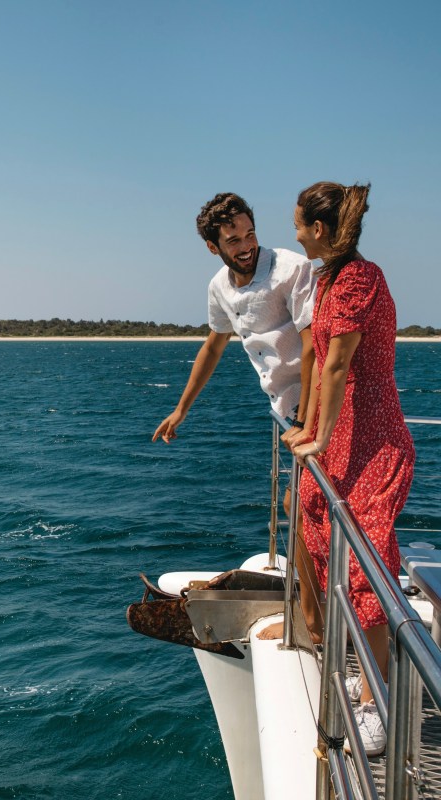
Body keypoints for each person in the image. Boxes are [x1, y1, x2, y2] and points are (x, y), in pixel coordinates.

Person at [289, 181, 415, 757]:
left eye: (298, 225)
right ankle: (358, 668)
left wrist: (317, 435)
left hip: (374, 440)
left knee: (366, 568)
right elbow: (319, 365)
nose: (295, 235)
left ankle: (378, 704)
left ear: (318, 229)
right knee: (319, 529)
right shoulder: (330, 279)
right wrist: (311, 427)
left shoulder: (359, 279)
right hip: (343, 437)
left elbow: (339, 363)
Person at [152, 193, 316, 441]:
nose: (246, 247)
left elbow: (314, 345)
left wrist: (304, 423)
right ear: (212, 247)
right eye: (234, 241)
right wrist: (181, 410)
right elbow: (213, 348)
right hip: (286, 411)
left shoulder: (292, 269)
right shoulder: (218, 286)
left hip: (318, 405)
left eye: (250, 234)